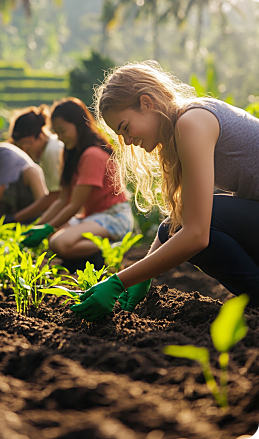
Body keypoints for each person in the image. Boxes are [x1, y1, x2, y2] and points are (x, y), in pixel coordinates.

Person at [70, 60, 259, 322]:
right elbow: (177, 223)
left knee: (193, 227)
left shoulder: (192, 122)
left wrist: (119, 282)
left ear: (147, 103)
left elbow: (196, 235)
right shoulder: (186, 123)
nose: (127, 142)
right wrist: (143, 275)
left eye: (125, 127)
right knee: (172, 227)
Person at [21, 97, 133, 271]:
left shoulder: (92, 154)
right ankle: (96, 254)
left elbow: (74, 205)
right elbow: (62, 200)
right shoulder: (71, 153)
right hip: (93, 217)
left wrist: (48, 228)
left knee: (58, 242)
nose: (60, 137)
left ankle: (114, 248)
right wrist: (38, 226)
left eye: (63, 130)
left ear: (78, 125)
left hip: (114, 217)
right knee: (53, 239)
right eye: (57, 132)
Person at [7, 105, 64, 223]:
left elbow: (55, 196)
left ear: (40, 135)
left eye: (27, 143)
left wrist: (17, 218)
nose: (25, 150)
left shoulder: (52, 151)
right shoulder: (49, 149)